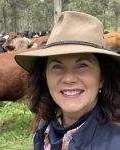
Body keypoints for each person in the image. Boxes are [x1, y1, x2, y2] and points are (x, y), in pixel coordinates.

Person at [14, 11, 120, 150]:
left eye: (82, 65)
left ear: (102, 77)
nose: (69, 79)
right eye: (57, 67)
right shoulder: (45, 126)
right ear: (45, 76)